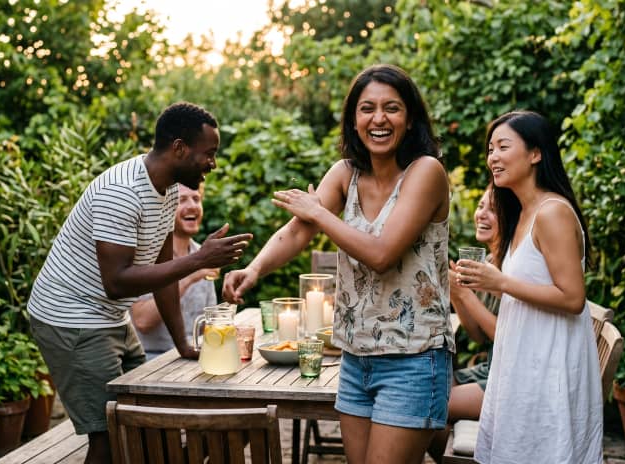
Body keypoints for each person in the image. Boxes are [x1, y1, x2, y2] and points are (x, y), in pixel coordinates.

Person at [223, 64, 453, 464]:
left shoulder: (426, 172)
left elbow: (382, 254)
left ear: (410, 117)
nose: (378, 119)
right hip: (355, 357)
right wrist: (255, 269)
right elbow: (298, 231)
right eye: (367, 109)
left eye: (392, 108)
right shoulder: (345, 173)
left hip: (414, 359)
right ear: (353, 119)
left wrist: (321, 213)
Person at [27, 102, 252, 464]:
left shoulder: (164, 191)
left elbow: (164, 270)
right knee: (108, 437)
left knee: (146, 423)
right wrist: (199, 259)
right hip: (71, 319)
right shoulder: (123, 192)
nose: (213, 163)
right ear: (179, 148)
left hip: (109, 317)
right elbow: (117, 282)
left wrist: (182, 344)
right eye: (208, 154)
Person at [456, 110, 602, 463]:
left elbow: (572, 298)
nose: (493, 157)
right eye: (491, 149)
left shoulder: (553, 212)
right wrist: (487, 284)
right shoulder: (521, 212)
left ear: (535, 154)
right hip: (523, 358)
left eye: (503, 146)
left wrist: (500, 282)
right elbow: (532, 285)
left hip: (547, 364)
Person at [427, 186, 500, 462]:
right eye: (481, 206)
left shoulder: (508, 269)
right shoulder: (490, 260)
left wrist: (465, 294)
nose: (482, 214)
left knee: (428, 406)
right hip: (489, 368)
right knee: (427, 389)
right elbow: (479, 336)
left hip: (504, 379)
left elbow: (502, 336)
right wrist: (456, 295)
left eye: (492, 209)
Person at [130, 183, 218, 360]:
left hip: (192, 357)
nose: (192, 206)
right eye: (182, 200)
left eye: (196, 199)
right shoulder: (146, 256)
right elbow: (142, 321)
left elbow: (209, 324)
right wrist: (191, 276)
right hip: (150, 360)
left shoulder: (202, 253)